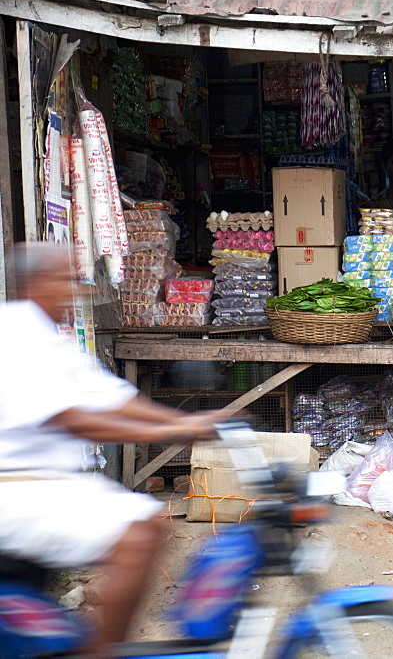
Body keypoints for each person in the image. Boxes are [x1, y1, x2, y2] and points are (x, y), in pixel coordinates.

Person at [0, 243, 225, 654]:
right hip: (15, 487)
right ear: (34, 284)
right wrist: (171, 431)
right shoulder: (15, 333)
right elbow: (70, 417)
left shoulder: (49, 337)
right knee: (138, 533)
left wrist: (186, 422)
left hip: (44, 483)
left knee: (149, 524)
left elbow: (112, 397)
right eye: (64, 280)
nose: (74, 290)